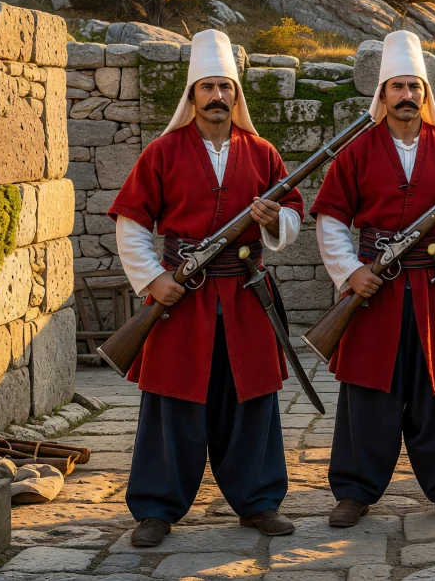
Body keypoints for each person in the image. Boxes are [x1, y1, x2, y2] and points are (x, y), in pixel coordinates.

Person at [110, 29, 305, 547]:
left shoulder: (262, 152)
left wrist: (269, 221)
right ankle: (156, 508)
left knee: (253, 399)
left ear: (236, 96)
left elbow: (293, 218)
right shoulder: (163, 152)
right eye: (207, 87)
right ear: (192, 94)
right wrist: (155, 281)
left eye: (226, 87)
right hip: (181, 297)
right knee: (173, 400)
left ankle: (259, 502)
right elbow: (131, 223)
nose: (218, 96)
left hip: (246, 294)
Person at [312, 30, 435, 528]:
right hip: (376, 289)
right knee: (367, 393)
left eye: (415, 86)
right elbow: (330, 218)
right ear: (383, 94)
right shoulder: (356, 151)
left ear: (425, 93)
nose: (407, 95)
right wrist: (352, 273)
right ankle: (354, 492)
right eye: (397, 87)